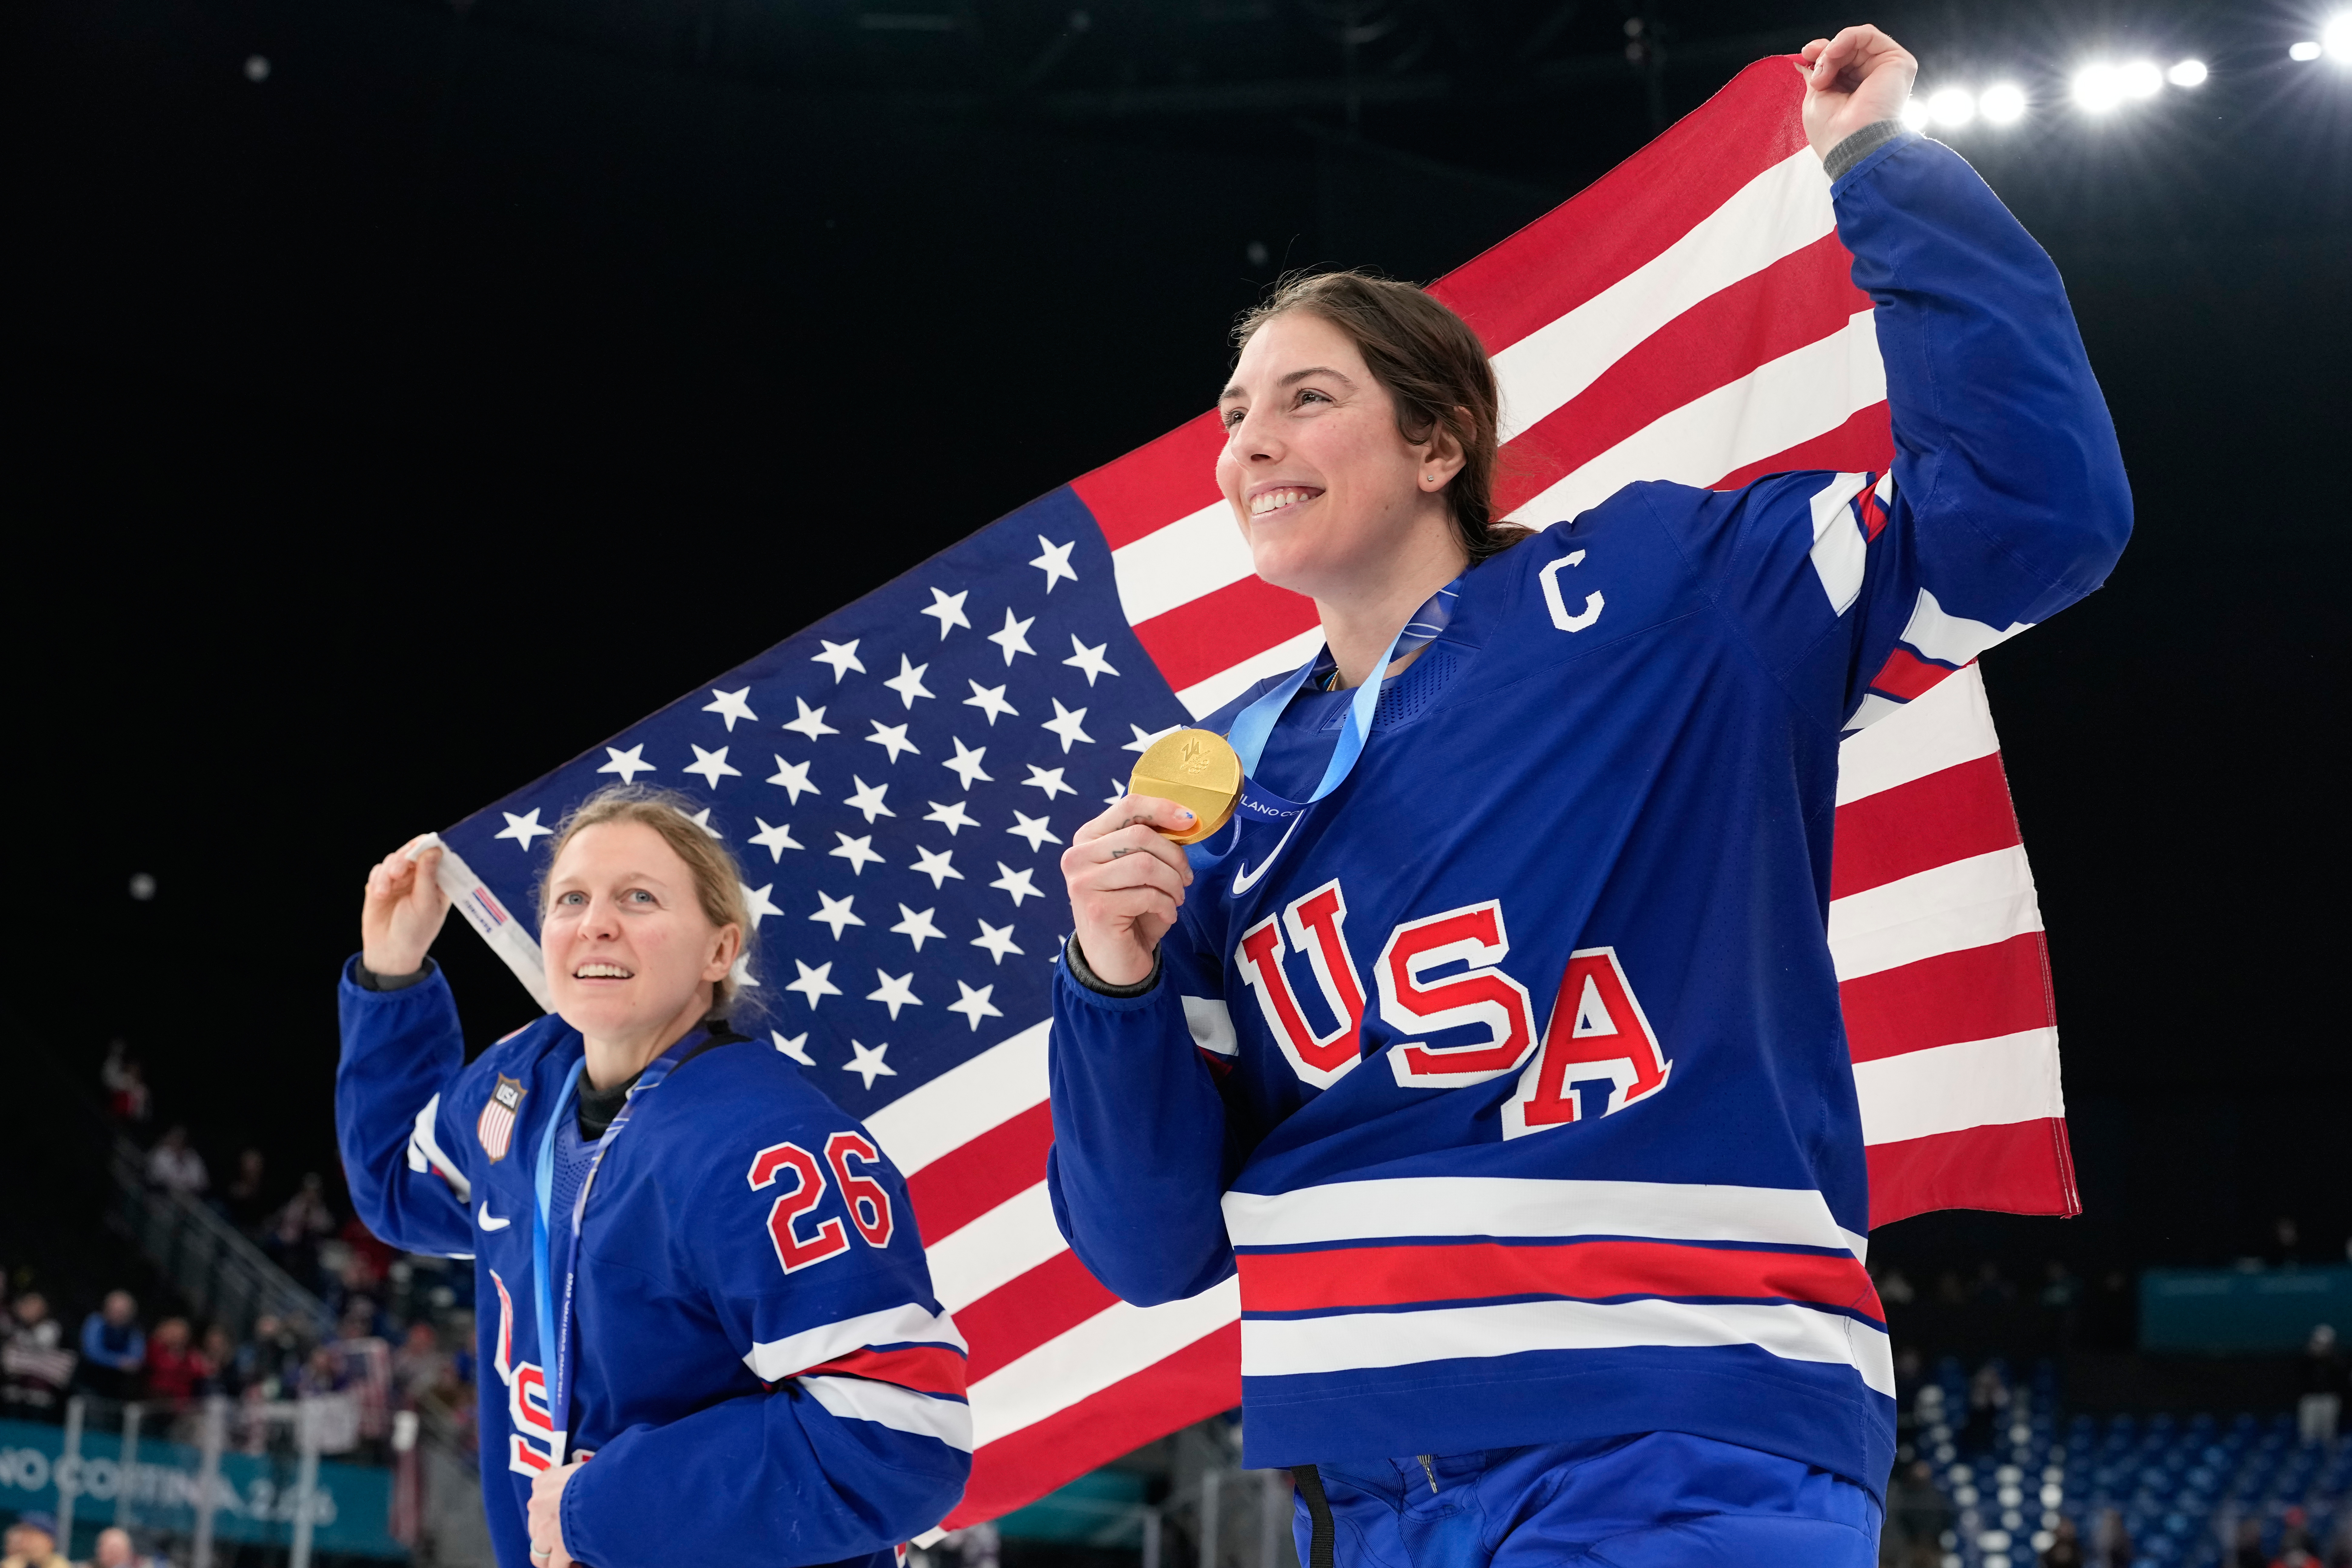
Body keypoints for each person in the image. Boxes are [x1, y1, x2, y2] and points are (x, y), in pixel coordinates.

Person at [1046, 22, 2130, 1568]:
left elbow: (2037, 515)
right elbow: (1144, 1248)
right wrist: (1108, 979)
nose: (1247, 443)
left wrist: (1885, 171)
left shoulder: (1662, 590)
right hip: (1362, 1498)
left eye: (1300, 397)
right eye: (1231, 412)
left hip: (1678, 1435)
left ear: (1437, 442)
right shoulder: (1221, 790)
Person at [337, 785, 969, 1568]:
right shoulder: (522, 1079)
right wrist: (392, 973)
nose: (595, 920)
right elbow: (400, 1190)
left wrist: (599, 1506)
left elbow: (900, 1439)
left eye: (639, 897)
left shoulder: (772, 1140)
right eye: (571, 897)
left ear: (718, 950)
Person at [2, 1289, 77, 1421]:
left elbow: (33, 1350)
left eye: (34, 1307)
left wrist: (21, 1359)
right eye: (27, 1306)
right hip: (15, 1392)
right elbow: (9, 1360)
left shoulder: (52, 1329)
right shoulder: (16, 1329)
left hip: (43, 1394)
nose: (29, 1310)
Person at [75, 1291, 145, 1402]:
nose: (118, 1315)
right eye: (115, 1310)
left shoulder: (134, 1332)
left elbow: (136, 1360)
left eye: (123, 1312)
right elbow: (92, 1352)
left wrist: (123, 1363)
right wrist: (118, 1362)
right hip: (90, 1383)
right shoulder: (96, 1323)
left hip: (117, 1389)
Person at [142, 1127, 208, 1199]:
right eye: (176, 1139)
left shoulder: (192, 1158)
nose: (179, 1142)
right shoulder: (162, 1154)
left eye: (183, 1141)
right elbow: (157, 1177)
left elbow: (202, 1183)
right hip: (161, 1195)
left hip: (189, 1199)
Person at [1, 1513, 69, 1568]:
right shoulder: (14, 1563)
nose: (25, 1542)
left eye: (31, 1536)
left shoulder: (57, 1565)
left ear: (49, 1542)